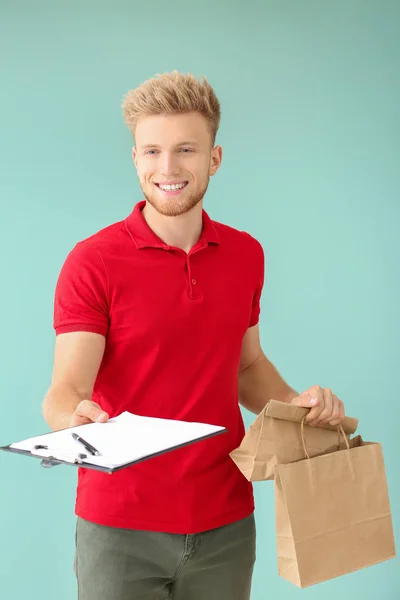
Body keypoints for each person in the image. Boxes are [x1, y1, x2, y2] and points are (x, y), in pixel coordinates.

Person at [42, 71, 346, 600]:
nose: (168, 168)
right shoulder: (93, 262)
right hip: (120, 525)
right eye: (152, 151)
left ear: (214, 158)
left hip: (226, 520)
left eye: (185, 149)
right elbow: (66, 390)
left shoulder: (246, 254)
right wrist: (74, 419)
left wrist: (299, 406)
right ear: (135, 158)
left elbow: (247, 366)